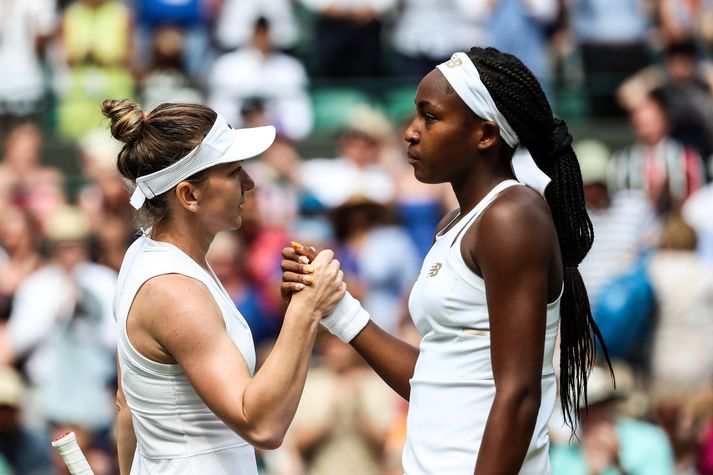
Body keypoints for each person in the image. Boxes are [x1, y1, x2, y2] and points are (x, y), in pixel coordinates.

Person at [282, 46, 610, 473]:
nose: (411, 132)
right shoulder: (456, 222)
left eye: (430, 117)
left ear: (486, 134)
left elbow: (520, 394)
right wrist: (337, 308)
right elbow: (436, 378)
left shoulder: (511, 217)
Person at [102, 99, 346, 474]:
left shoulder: (143, 255)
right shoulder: (174, 292)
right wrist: (306, 310)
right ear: (189, 195)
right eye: (234, 172)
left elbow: (126, 404)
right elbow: (262, 424)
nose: (249, 183)